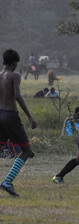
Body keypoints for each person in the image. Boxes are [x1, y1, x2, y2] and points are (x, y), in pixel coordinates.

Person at [0, 49, 37, 196]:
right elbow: (17, 96)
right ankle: (7, 182)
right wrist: (30, 116)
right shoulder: (15, 75)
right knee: (27, 151)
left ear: (3, 61)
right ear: (15, 63)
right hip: (10, 115)